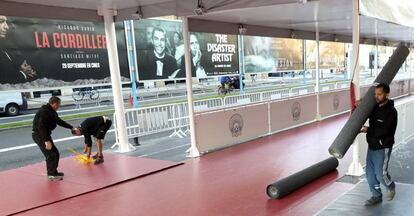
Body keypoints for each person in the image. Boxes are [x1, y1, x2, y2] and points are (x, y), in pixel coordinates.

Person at [360, 83, 397, 206]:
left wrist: (367, 129)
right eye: (375, 94)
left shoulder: (391, 111)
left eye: (379, 94)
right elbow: (364, 113)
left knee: (380, 174)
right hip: (372, 146)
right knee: (370, 174)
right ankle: (376, 195)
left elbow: (384, 131)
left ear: (387, 94)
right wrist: (360, 105)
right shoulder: (374, 107)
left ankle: (391, 186)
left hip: (383, 146)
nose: (376, 96)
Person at [32, 96, 78, 181]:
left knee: (56, 153)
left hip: (45, 135)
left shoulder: (52, 112)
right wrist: (46, 141)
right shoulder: (44, 112)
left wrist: (71, 127)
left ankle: (54, 171)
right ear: (55, 104)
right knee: (50, 155)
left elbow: (59, 121)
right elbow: (41, 127)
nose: (59, 106)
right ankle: (51, 174)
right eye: (59, 104)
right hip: (40, 135)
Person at [0, 15, 37, 84]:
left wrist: (21, 70)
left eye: (6, 22)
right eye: (1, 22)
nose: (7, 27)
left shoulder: (4, 49)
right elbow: (5, 80)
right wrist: (23, 73)